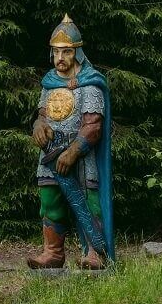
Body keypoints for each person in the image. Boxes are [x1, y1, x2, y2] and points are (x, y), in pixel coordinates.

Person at [26, 15, 114, 270]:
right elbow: (43, 115)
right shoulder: (49, 83)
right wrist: (38, 126)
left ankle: (96, 253)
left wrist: (74, 151)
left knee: (88, 203)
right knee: (50, 201)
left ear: (77, 52)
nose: (60, 57)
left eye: (66, 51)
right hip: (50, 154)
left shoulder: (90, 83)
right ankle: (53, 253)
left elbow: (93, 126)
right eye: (56, 52)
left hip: (81, 157)